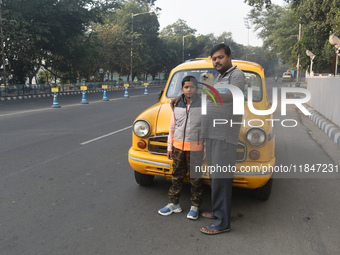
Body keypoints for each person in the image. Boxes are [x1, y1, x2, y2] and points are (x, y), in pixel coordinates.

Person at [171, 43, 245, 234]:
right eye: (214, 59)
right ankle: (218, 212)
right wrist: (180, 98)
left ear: (229, 57)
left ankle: (222, 223)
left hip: (223, 134)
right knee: (215, 177)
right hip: (211, 134)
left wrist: (209, 90)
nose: (216, 61)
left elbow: (231, 95)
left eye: (220, 57)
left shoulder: (236, 75)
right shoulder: (219, 77)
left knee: (221, 178)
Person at [158, 75, 204, 220]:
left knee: (195, 178)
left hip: (195, 148)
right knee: (176, 176)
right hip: (178, 147)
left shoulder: (203, 104)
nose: (189, 90)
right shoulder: (177, 104)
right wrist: (169, 147)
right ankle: (173, 204)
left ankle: (195, 206)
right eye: (186, 87)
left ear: (197, 89)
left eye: (192, 87)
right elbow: (172, 127)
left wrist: (206, 149)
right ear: (182, 89)